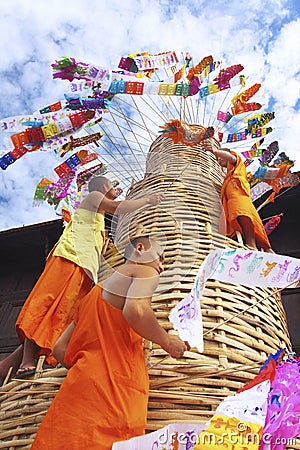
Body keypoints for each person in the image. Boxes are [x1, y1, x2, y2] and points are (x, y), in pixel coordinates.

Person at [0, 176, 164, 382]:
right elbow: (117, 207)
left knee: (62, 314)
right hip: (69, 257)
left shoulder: (97, 220)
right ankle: (26, 361)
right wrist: (147, 200)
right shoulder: (93, 197)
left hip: (85, 267)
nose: (116, 190)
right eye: (113, 187)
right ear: (105, 187)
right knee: (49, 305)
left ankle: (7, 365)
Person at [31, 236, 187, 450]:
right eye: (161, 258)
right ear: (140, 249)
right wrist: (167, 341)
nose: (161, 266)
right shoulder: (143, 271)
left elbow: (59, 349)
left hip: (80, 386)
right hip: (114, 391)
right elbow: (136, 310)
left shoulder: (92, 295)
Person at [207, 147, 273, 252]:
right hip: (234, 201)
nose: (219, 159)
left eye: (220, 156)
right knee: (253, 227)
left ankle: (251, 244)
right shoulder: (228, 174)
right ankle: (268, 252)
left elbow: (231, 158)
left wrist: (214, 151)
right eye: (217, 158)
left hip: (239, 197)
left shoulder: (237, 164)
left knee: (243, 216)